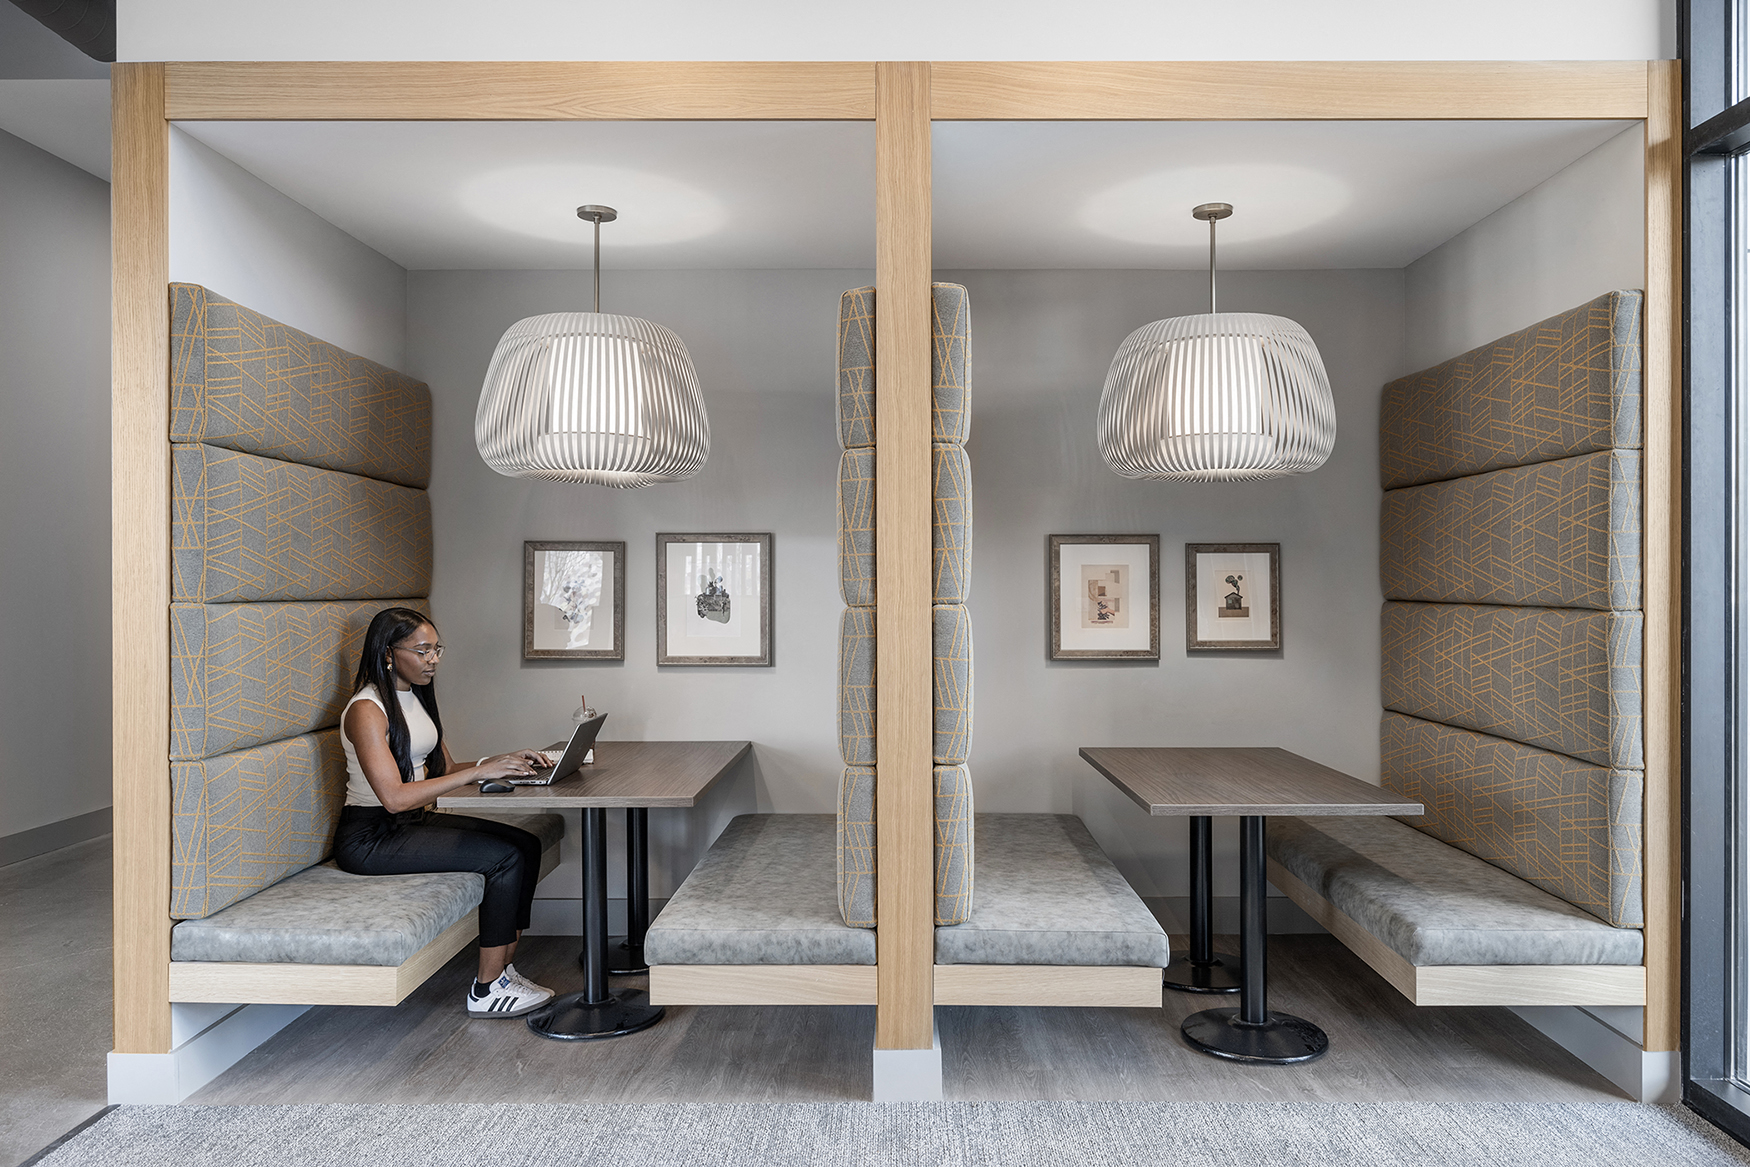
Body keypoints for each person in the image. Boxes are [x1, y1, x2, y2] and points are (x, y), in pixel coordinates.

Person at [333, 607, 557, 1018]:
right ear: (388, 653)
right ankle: (487, 989)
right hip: (371, 837)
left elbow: (444, 770)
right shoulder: (367, 709)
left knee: (525, 844)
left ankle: (505, 972)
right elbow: (394, 798)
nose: (433, 660)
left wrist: (501, 761)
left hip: (411, 823)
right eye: (422, 651)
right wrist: (479, 773)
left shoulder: (413, 696)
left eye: (437, 649)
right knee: (504, 858)